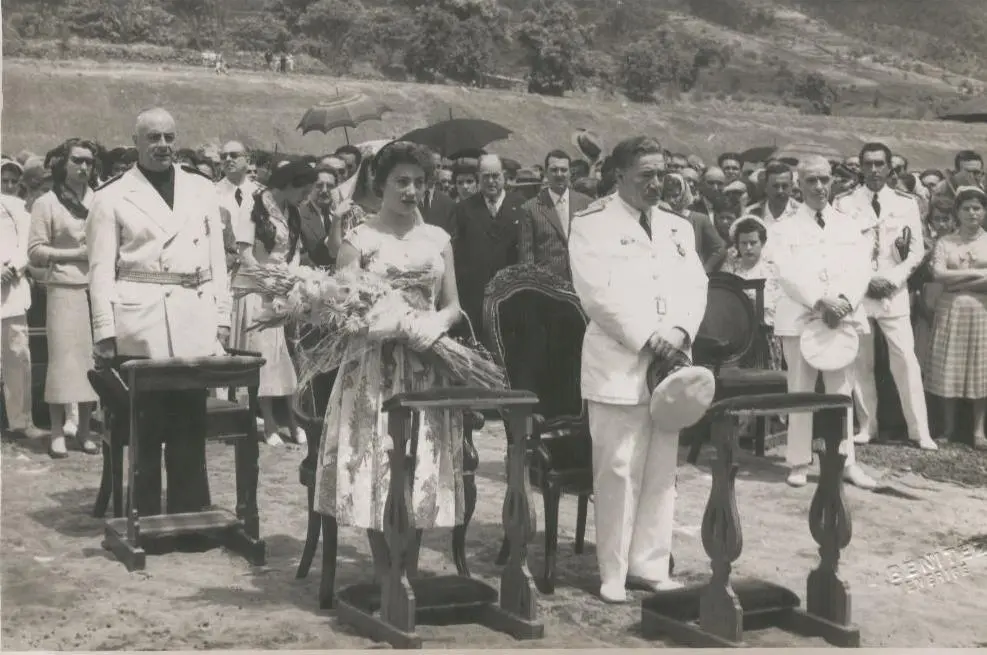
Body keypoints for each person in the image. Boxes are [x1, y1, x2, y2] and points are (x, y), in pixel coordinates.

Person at [569, 136, 708, 603]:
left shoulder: (677, 227)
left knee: (661, 470)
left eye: (661, 173)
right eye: (646, 174)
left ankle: (650, 564)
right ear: (620, 176)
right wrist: (650, 335)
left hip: (671, 363)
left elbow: (696, 286)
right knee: (618, 468)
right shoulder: (592, 225)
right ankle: (613, 570)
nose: (657, 183)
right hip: (620, 362)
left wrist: (681, 331)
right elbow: (597, 295)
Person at [313, 141, 467, 535]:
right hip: (374, 369)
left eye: (418, 182)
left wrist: (435, 325)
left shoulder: (438, 239)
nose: (411, 191)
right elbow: (344, 314)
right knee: (378, 469)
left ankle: (407, 571)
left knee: (419, 469)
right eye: (401, 181)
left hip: (429, 364)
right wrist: (389, 324)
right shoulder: (359, 241)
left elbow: (452, 305)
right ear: (379, 184)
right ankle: (388, 575)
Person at [87, 107, 231, 516]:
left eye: (169, 137)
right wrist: (104, 331)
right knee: (146, 429)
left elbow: (216, 261)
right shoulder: (111, 196)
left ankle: (190, 513)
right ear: (136, 142)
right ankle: (145, 517)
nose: (163, 146)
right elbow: (100, 270)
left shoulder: (202, 190)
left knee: (189, 425)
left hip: (193, 320)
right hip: (141, 322)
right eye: (153, 138)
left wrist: (221, 316)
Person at [771, 155, 876, 489]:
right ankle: (798, 461)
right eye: (811, 180)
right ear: (799, 185)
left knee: (841, 390)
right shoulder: (783, 228)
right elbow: (786, 272)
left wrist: (843, 301)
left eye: (824, 180)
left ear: (833, 182)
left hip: (840, 318)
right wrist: (819, 299)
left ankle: (845, 461)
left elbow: (861, 268)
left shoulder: (848, 224)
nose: (819, 187)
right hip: (802, 315)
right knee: (800, 389)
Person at [833, 143, 937, 451]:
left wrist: (892, 279)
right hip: (859, 291)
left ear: (890, 168)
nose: (874, 170)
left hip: (894, 291)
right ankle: (867, 426)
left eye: (880, 164)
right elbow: (841, 248)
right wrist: (865, 281)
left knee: (906, 360)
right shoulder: (844, 202)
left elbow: (917, 249)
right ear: (860, 167)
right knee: (860, 361)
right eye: (868, 164)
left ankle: (920, 431)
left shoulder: (906, 202)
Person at [27, 138, 102, 458]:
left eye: (88, 162)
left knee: (91, 362)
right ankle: (57, 432)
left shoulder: (100, 201)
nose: (83, 167)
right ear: (63, 164)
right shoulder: (47, 203)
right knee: (62, 362)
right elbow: (36, 252)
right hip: (61, 290)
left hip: (95, 290)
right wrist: (76, 254)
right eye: (77, 161)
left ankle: (85, 430)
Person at [232, 161, 313, 446]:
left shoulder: (291, 212)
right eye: (303, 190)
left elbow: (293, 252)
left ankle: (291, 418)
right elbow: (245, 253)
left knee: (285, 355)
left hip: (282, 290)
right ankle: (268, 423)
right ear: (289, 184)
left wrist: (289, 278)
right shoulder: (252, 206)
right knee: (265, 357)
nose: (306, 196)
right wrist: (265, 280)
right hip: (254, 290)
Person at [926, 186, 987, 449]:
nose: (972, 213)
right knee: (949, 366)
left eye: (977, 208)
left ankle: (978, 430)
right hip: (950, 309)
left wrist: (956, 280)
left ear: (984, 211)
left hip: (981, 310)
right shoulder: (945, 242)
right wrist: (978, 274)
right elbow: (938, 275)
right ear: (957, 212)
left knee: (979, 369)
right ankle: (949, 427)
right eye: (966, 208)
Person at [449, 154, 524, 339]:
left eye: (495, 176)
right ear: (478, 178)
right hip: (475, 299)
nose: (491, 181)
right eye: (485, 177)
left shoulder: (521, 206)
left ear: (504, 176)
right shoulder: (464, 209)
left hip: (511, 295)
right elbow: (457, 256)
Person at [1, 186, 44, 440]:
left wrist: (13, 268)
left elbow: (28, 241)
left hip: (10, 293)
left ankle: (21, 421)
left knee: (17, 358)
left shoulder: (14, 206)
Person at [518, 149, 592, 281]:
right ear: (546, 173)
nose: (559, 174)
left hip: (582, 282)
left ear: (570, 173)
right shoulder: (531, 208)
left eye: (564, 170)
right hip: (548, 287)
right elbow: (527, 256)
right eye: (554, 170)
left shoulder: (585, 203)